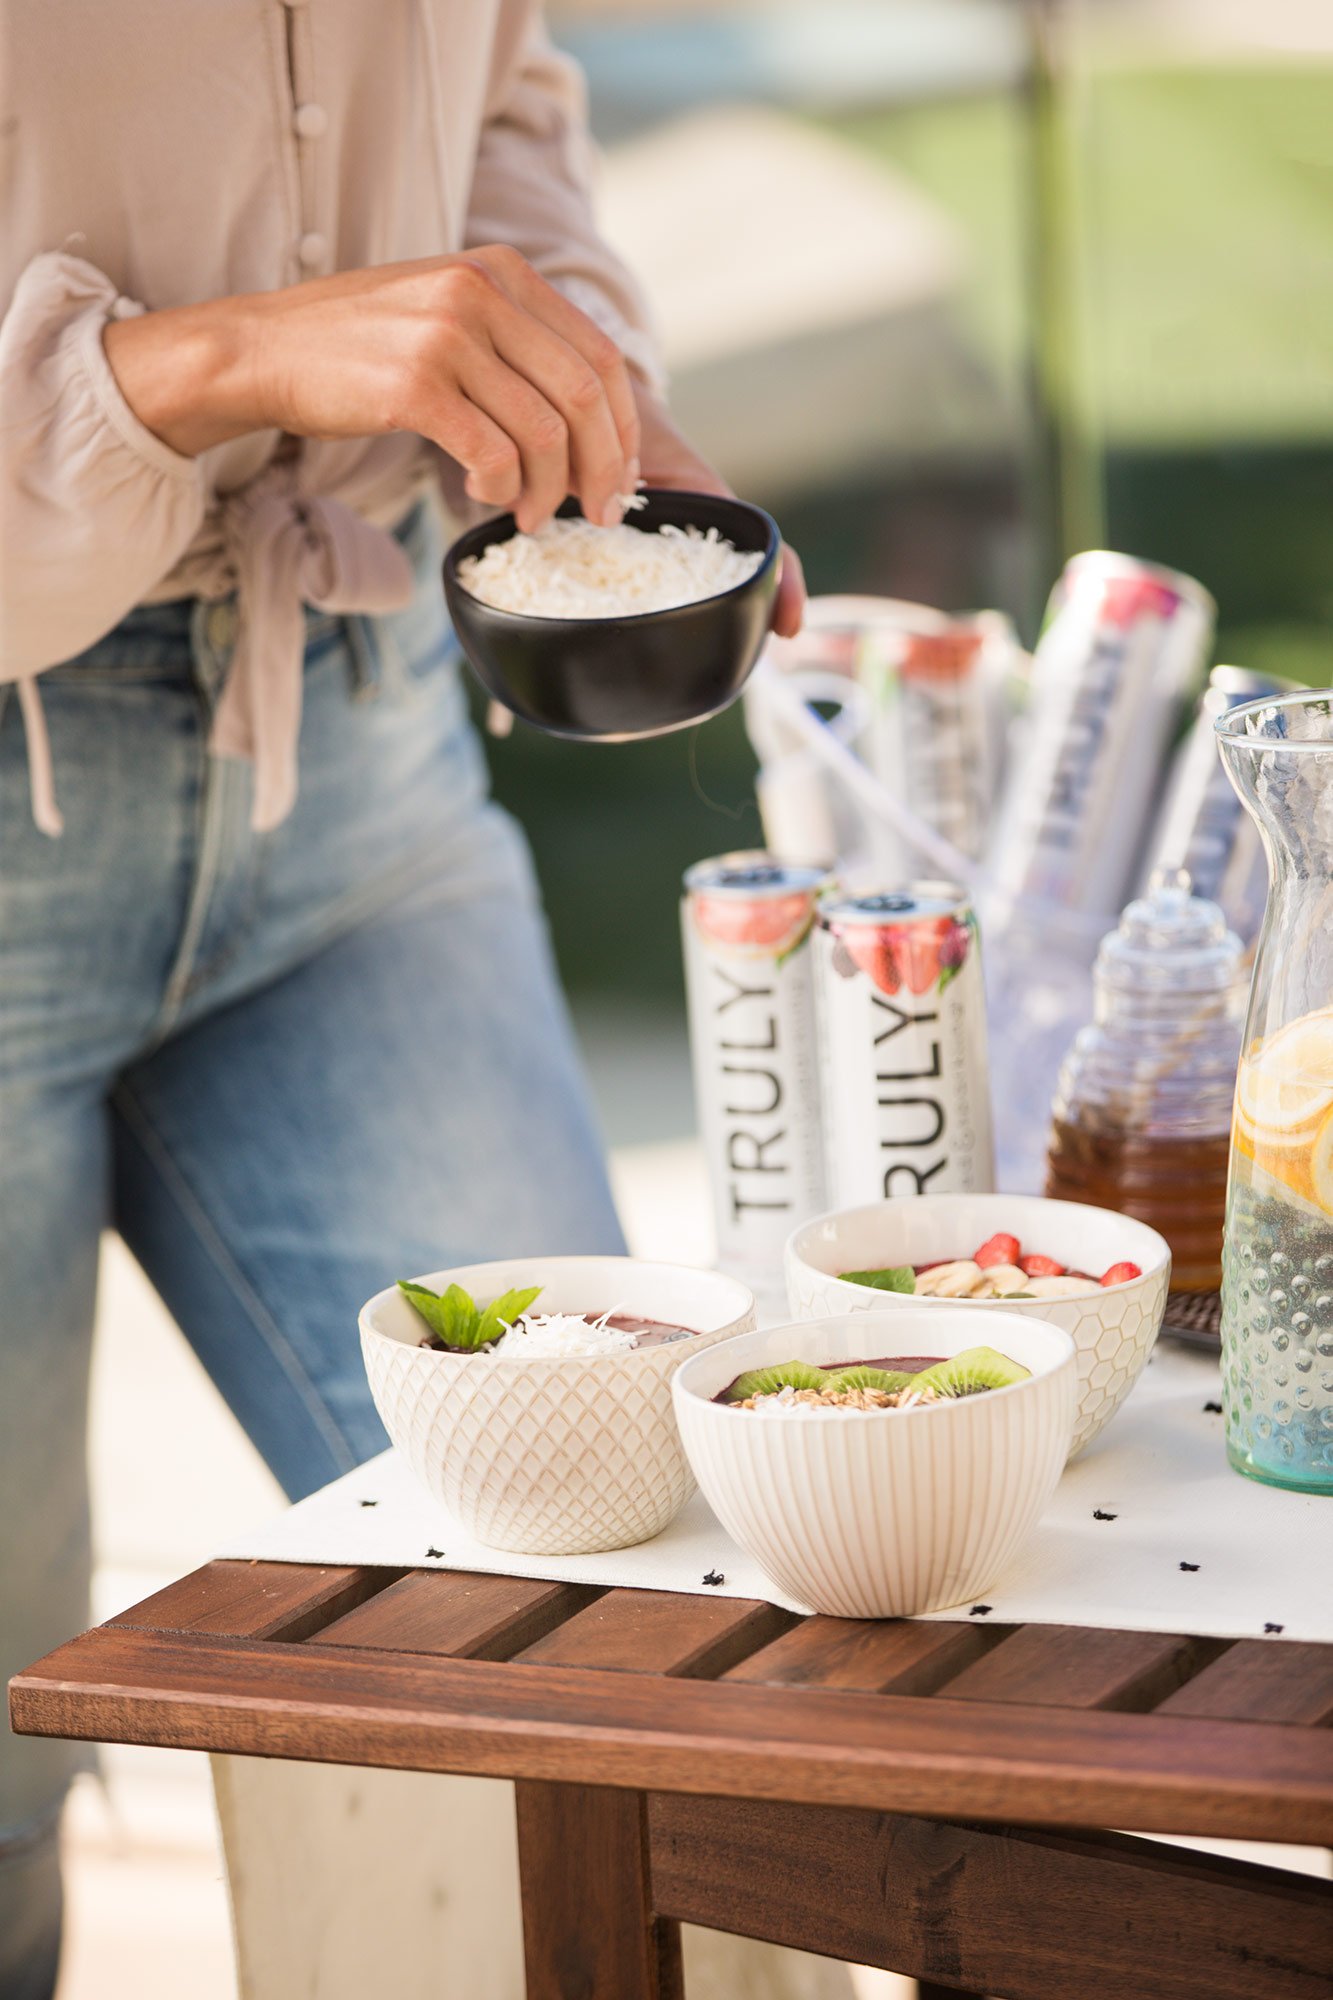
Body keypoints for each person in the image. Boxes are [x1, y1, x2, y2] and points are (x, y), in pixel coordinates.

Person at [0, 5, 804, 1991]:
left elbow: (497, 89)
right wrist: (216, 362)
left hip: (358, 760)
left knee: (627, 1625)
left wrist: (561, 378)